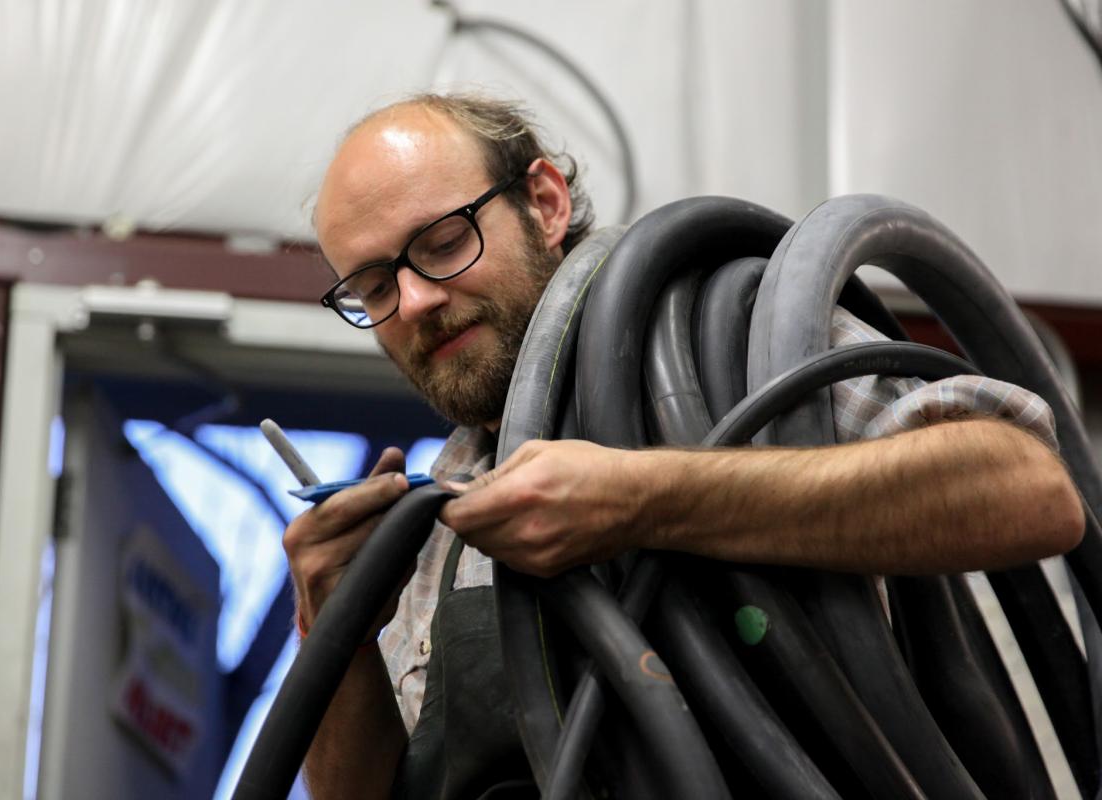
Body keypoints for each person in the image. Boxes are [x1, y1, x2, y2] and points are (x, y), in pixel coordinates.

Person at [284, 92, 1085, 799]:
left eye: (443, 242)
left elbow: (1030, 491)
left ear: (544, 202)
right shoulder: (437, 535)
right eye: (375, 288)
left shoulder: (725, 351)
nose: (417, 300)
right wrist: (337, 637)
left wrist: (647, 498)